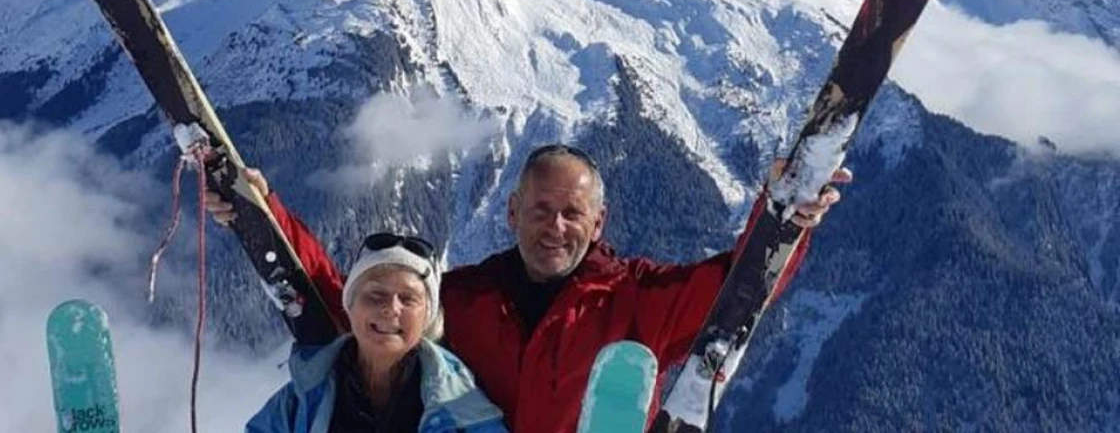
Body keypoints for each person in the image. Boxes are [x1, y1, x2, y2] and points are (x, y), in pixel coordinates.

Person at [210, 146, 849, 433]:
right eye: (541, 210)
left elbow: (737, 291)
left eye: (573, 214)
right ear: (512, 211)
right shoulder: (465, 298)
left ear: (599, 223)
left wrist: (783, 215)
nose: (556, 227)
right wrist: (262, 213)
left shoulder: (635, 299)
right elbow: (356, 301)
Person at [245, 231, 508, 433]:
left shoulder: (466, 410)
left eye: (408, 299)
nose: (391, 309)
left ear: (426, 315)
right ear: (350, 305)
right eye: (376, 294)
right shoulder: (303, 398)